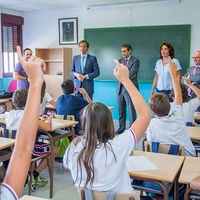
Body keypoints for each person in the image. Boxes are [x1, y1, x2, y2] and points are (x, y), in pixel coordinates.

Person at [63, 60, 151, 193]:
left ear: (84, 123)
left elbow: (67, 165)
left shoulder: (74, 147)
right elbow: (145, 115)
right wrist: (126, 80)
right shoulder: (118, 146)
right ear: (109, 123)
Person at [0, 46, 46, 199]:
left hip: (25, 97)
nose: (27, 56)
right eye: (26, 54)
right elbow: (24, 146)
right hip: (27, 95)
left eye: (29, 54)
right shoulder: (5, 195)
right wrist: (34, 82)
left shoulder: (8, 115)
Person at [4, 88, 58, 192]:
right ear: (29, 101)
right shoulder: (29, 116)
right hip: (27, 151)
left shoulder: (9, 114)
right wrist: (47, 118)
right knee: (54, 149)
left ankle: (31, 174)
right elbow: (46, 127)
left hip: (12, 150)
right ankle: (34, 174)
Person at [147, 58, 196, 157]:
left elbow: (150, 146)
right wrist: (173, 74)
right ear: (170, 107)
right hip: (187, 159)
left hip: (164, 161)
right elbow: (178, 97)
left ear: (153, 113)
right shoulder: (177, 117)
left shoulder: (151, 124)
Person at [116, 44, 140, 134]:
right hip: (120, 88)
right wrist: (126, 75)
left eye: (125, 51)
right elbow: (117, 74)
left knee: (131, 109)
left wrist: (126, 75)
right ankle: (121, 128)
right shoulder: (119, 61)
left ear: (130, 51)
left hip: (130, 88)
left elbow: (132, 73)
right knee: (121, 109)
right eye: (122, 51)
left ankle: (132, 129)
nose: (123, 53)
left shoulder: (135, 61)